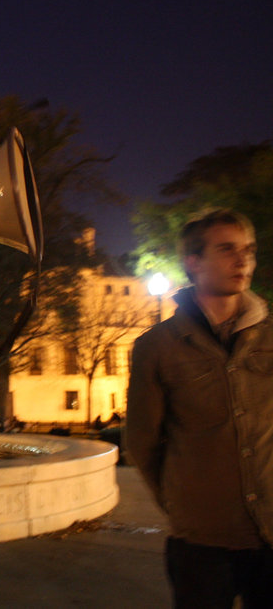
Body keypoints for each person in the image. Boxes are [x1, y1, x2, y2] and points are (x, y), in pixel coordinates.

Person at [126, 208, 273, 608]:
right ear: (193, 262)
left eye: (249, 250)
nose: (243, 260)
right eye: (227, 249)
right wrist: (180, 504)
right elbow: (142, 440)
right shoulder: (157, 347)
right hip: (202, 543)